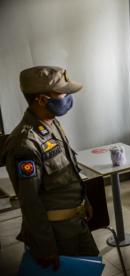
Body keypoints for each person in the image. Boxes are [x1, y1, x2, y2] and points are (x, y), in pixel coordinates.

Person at [0, 66, 99, 270]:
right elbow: (30, 202)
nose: (68, 96)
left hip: (76, 222)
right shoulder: (24, 143)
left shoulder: (52, 124)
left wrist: (84, 201)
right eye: (63, 92)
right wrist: (45, 247)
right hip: (56, 233)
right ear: (42, 100)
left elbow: (69, 170)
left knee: (91, 266)